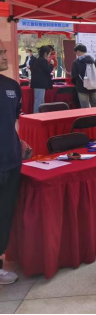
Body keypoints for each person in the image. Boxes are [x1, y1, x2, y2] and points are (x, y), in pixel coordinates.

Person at [0, 41, 23, 285]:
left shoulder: (12, 87)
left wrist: (20, 143)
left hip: (10, 160)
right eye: (0, 53)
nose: (5, 56)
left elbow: (12, 121)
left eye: (5, 51)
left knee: (5, 214)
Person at [71, 44, 96, 108]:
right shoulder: (94, 60)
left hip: (82, 87)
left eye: (76, 52)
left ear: (78, 51)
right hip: (94, 86)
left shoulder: (76, 62)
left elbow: (74, 76)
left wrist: (77, 84)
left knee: (85, 107)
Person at [31, 46, 53, 113]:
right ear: (46, 53)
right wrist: (51, 65)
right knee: (39, 101)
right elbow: (48, 71)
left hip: (38, 83)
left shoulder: (38, 60)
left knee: (40, 101)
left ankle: (39, 114)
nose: (49, 55)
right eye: (49, 53)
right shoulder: (43, 60)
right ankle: (36, 115)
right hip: (40, 84)